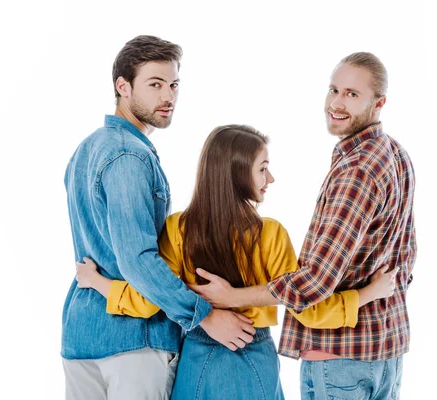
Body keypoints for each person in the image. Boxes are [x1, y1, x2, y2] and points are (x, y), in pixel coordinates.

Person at [76, 124, 399, 400]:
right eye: (262, 167)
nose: (270, 177)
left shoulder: (177, 229)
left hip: (196, 358)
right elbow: (310, 310)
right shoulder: (269, 234)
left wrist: (96, 281)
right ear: (236, 173)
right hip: (253, 358)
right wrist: (370, 292)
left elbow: (149, 301)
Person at [191, 53, 417, 400]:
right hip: (386, 351)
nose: (337, 103)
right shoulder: (395, 154)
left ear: (379, 103)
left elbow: (313, 284)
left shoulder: (356, 171)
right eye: (334, 90)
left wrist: (232, 296)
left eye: (352, 94)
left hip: (341, 356)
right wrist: (375, 293)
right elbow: (405, 256)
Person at [61, 35, 255, 400]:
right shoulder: (129, 156)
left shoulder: (85, 150)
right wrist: (204, 316)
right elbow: (137, 260)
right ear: (123, 86)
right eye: (155, 85)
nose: (168, 97)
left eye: (174, 85)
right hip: (134, 341)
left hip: (81, 334)